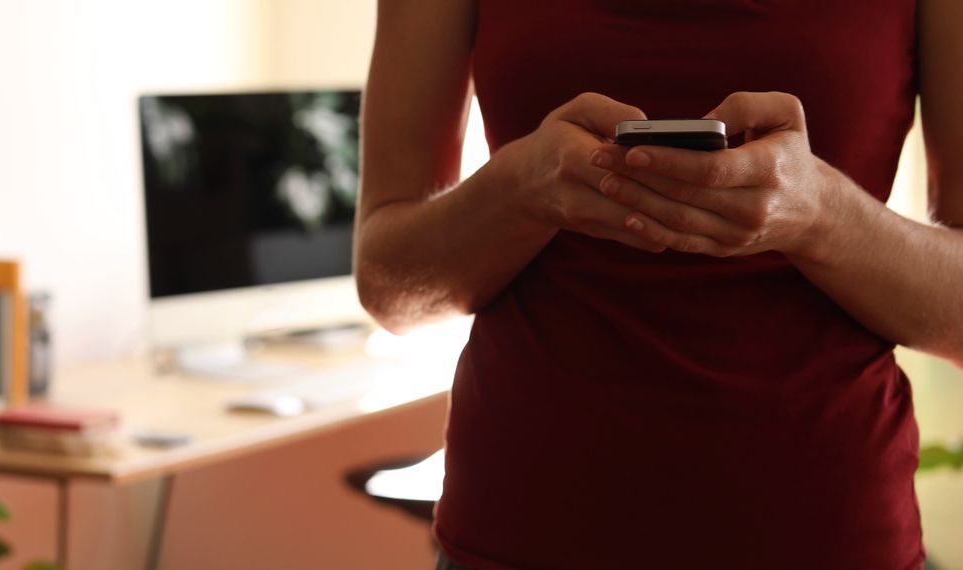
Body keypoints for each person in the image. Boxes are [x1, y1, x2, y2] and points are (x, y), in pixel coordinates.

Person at [354, 1, 962, 568]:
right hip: (522, 529)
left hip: (827, 532)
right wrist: (521, 187)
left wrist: (821, 215)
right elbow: (388, 281)